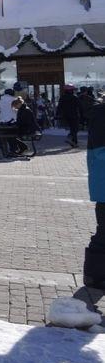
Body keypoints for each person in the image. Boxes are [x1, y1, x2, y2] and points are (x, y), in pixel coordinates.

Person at [84, 102, 105, 287]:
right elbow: (100, 152)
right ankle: (95, 275)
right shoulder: (101, 114)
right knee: (103, 232)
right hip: (103, 182)